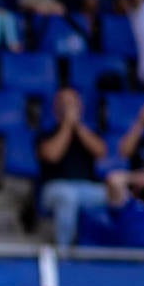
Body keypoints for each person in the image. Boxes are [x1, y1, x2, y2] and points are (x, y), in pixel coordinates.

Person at [35, 87, 109, 248]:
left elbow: (100, 151)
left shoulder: (88, 132)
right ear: (56, 107)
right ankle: (64, 250)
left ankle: (110, 248)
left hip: (87, 188)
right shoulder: (46, 133)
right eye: (65, 103)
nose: (69, 107)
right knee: (68, 196)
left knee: (114, 195)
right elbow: (52, 155)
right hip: (54, 187)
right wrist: (67, 126)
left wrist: (78, 127)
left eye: (73, 103)